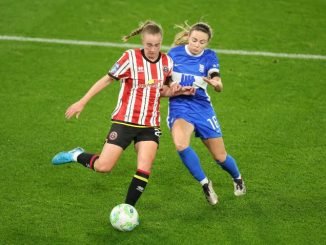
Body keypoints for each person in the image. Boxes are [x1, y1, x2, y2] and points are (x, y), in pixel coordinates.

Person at [51, 20, 193, 207]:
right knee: (103, 166)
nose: (153, 49)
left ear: (161, 42)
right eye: (149, 45)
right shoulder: (130, 58)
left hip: (150, 124)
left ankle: (128, 209)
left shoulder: (167, 62)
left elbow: (161, 90)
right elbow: (106, 80)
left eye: (157, 45)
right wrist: (82, 102)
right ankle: (76, 155)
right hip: (125, 121)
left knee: (144, 167)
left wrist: (178, 91)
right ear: (142, 41)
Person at [167, 22, 246, 205]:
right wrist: (172, 86)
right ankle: (205, 183)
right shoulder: (174, 54)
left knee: (220, 157)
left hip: (202, 107)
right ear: (188, 37)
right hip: (180, 106)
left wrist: (216, 84)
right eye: (194, 40)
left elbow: (217, 81)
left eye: (202, 42)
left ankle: (237, 178)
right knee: (180, 144)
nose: (197, 45)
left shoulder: (209, 57)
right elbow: (165, 81)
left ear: (207, 43)